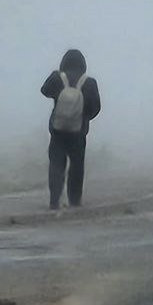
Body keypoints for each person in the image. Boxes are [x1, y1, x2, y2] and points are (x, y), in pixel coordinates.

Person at [40, 49, 101, 210]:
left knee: (56, 164)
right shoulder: (89, 82)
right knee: (76, 165)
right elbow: (96, 107)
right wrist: (84, 117)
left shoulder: (57, 78)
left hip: (57, 130)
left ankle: (54, 200)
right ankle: (75, 200)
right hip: (78, 132)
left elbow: (44, 91)